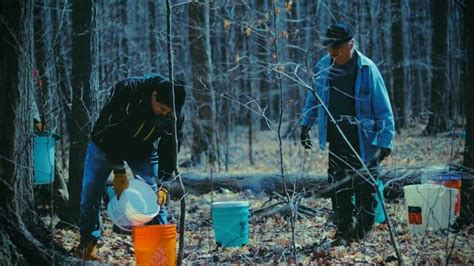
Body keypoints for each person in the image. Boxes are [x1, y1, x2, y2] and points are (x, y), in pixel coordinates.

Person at [300, 22, 395, 246]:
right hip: (336, 138)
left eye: (337, 48)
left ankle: (360, 234)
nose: (332, 52)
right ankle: (344, 232)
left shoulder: (367, 69)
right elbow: (314, 98)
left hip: (364, 141)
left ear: (350, 44)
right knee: (339, 188)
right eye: (329, 48)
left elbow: (384, 108)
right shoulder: (324, 66)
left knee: (367, 189)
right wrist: (306, 123)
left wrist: (385, 141)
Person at [73, 73, 186, 260]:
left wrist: (164, 182)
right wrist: (118, 169)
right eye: (162, 108)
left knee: (154, 197)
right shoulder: (129, 90)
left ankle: (160, 252)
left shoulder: (174, 114)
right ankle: (88, 244)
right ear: (154, 95)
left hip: (142, 150)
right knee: (90, 192)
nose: (165, 113)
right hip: (104, 145)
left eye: (169, 112)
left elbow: (170, 148)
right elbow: (111, 129)